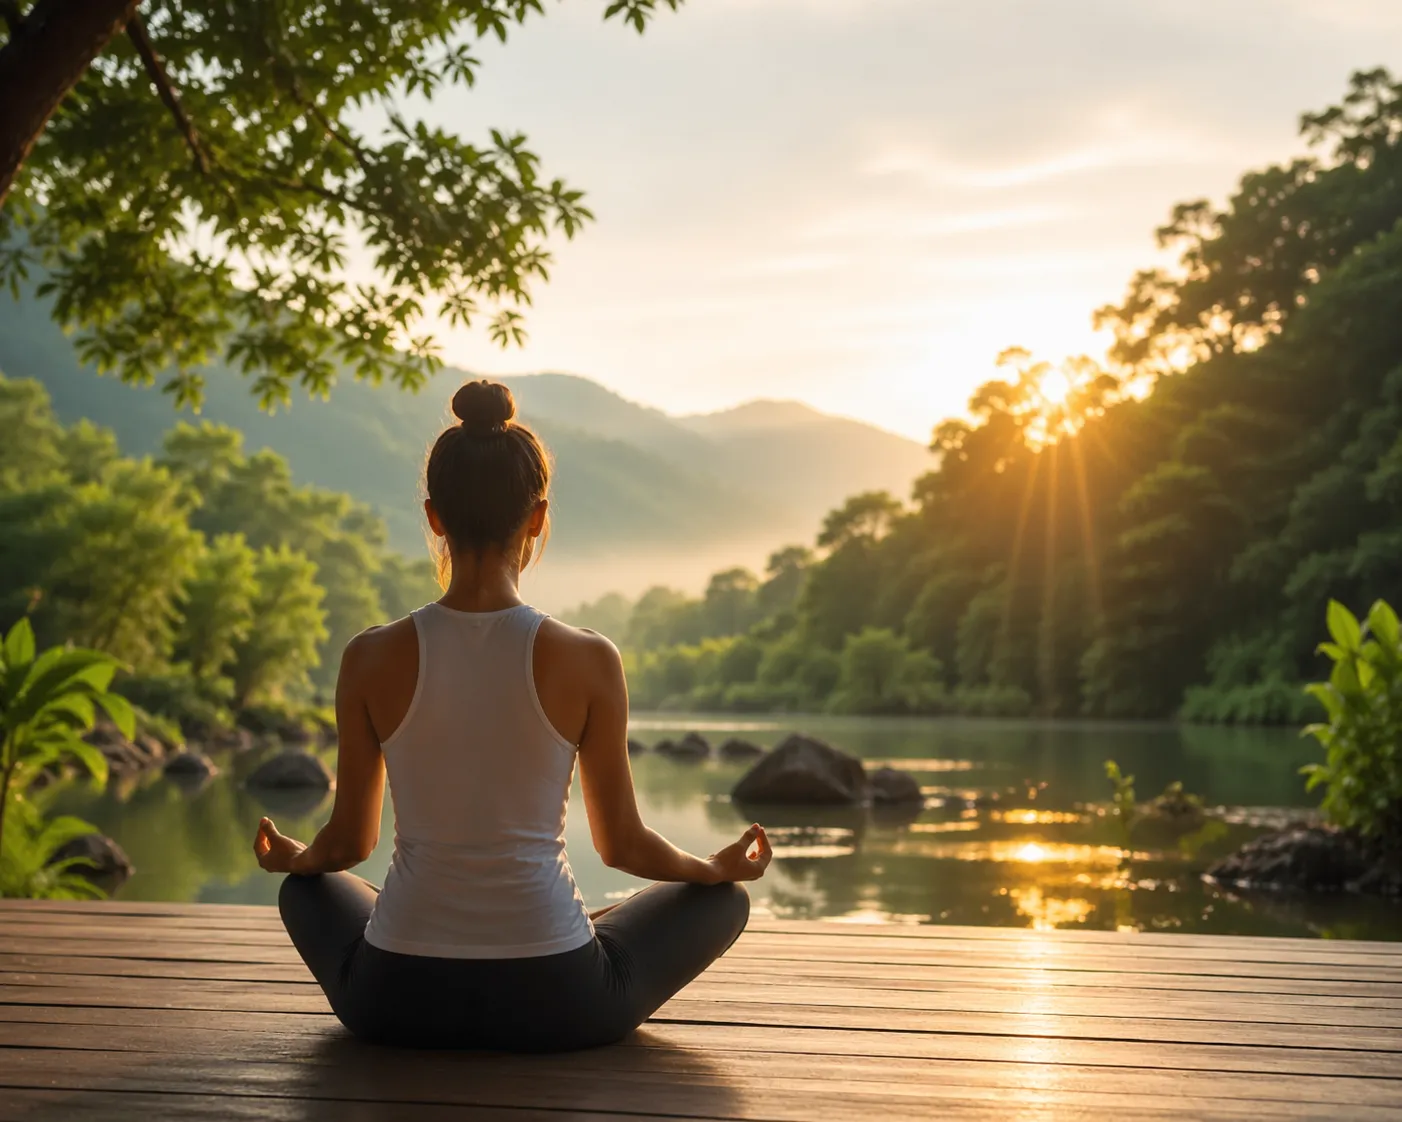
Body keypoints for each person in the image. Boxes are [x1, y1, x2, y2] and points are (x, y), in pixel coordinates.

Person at [253, 379, 771, 1052]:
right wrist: (711, 868)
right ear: (537, 518)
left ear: (434, 516)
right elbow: (622, 846)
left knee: (306, 890)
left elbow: (348, 845)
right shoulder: (588, 659)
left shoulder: (370, 657)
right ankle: (586, 922)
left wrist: (298, 856)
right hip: (561, 1002)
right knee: (723, 903)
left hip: (392, 1001)